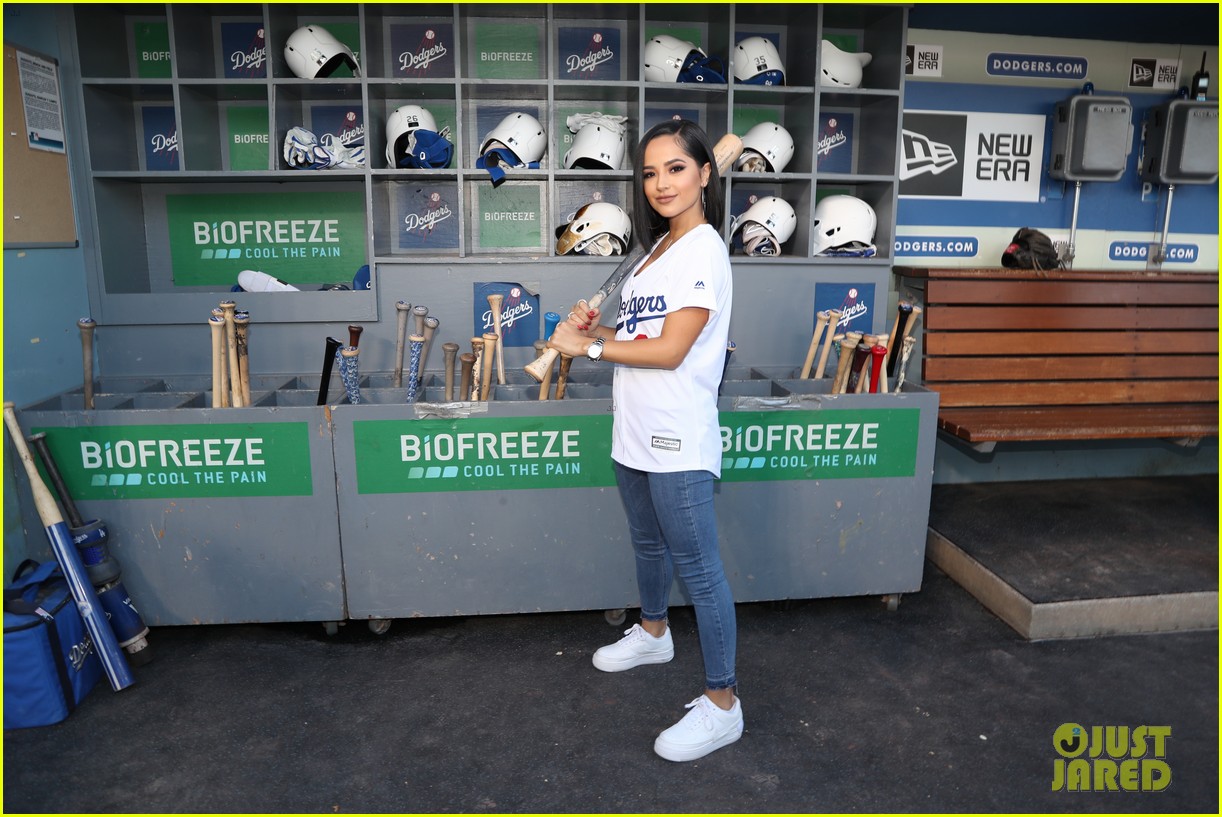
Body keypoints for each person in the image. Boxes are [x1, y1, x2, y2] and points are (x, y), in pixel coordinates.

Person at [548, 119, 739, 762]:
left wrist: (589, 345)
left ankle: (723, 705)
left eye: (677, 169)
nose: (661, 183)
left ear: (705, 174)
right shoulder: (655, 250)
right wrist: (598, 323)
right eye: (650, 172)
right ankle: (655, 633)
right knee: (645, 541)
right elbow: (641, 330)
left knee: (702, 574)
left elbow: (671, 349)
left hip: (678, 437)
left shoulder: (704, 250)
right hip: (633, 426)